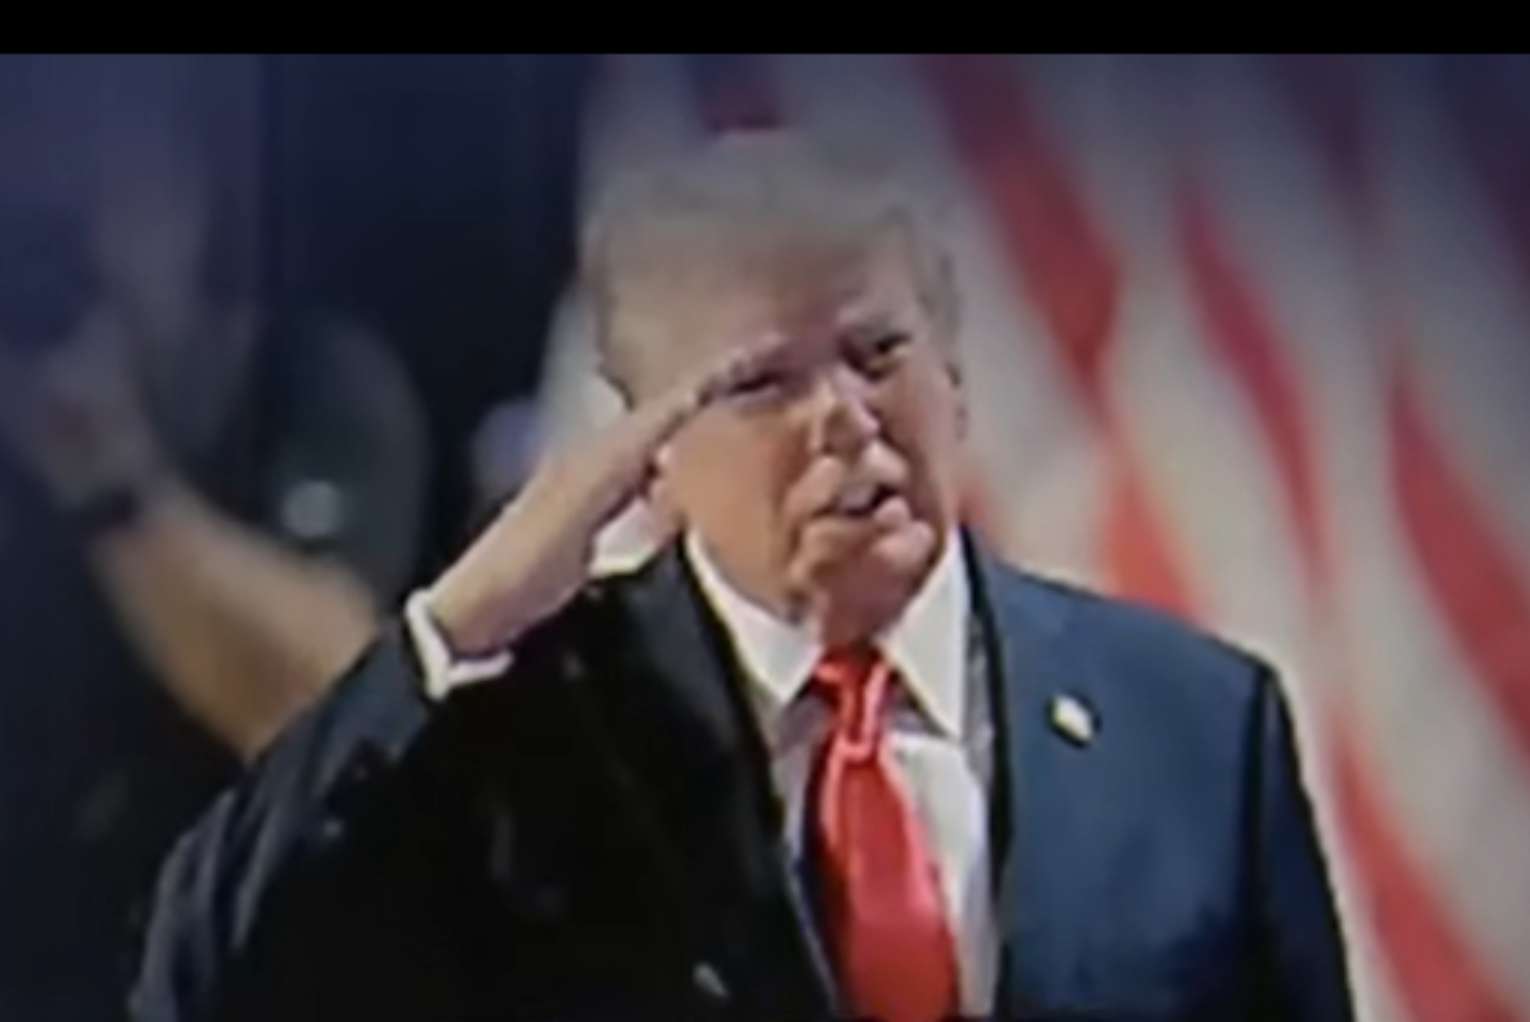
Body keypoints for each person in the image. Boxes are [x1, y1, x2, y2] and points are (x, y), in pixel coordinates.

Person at [131, 133, 1352, 1021]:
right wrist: (457, 619)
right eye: (764, 383)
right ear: (647, 455)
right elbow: (207, 973)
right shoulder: (534, 740)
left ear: (955, 374)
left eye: (879, 351)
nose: (845, 418)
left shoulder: (1197, 723)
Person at [0, 56, 429, 1019]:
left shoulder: (306, 382)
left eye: (107, 191)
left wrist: (114, 486)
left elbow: (324, 710)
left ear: (197, 205)